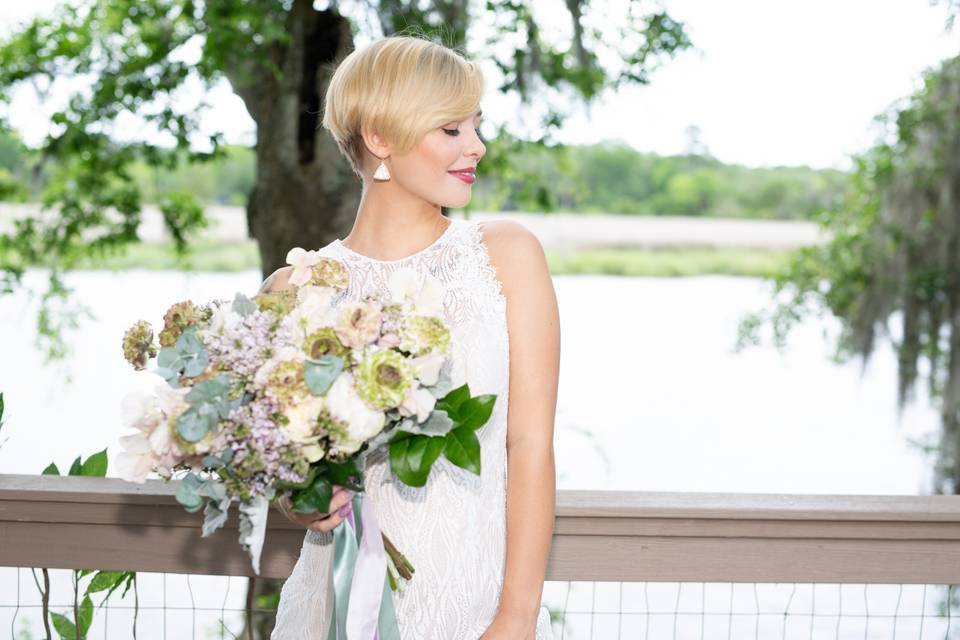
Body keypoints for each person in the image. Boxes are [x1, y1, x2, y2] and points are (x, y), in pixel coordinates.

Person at [260, 34, 560, 640]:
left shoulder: (505, 257)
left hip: (475, 606)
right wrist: (305, 503)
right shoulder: (296, 288)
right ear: (379, 137)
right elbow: (286, 477)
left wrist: (516, 618)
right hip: (336, 606)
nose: (476, 146)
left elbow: (529, 446)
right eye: (451, 129)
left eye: (476, 125)